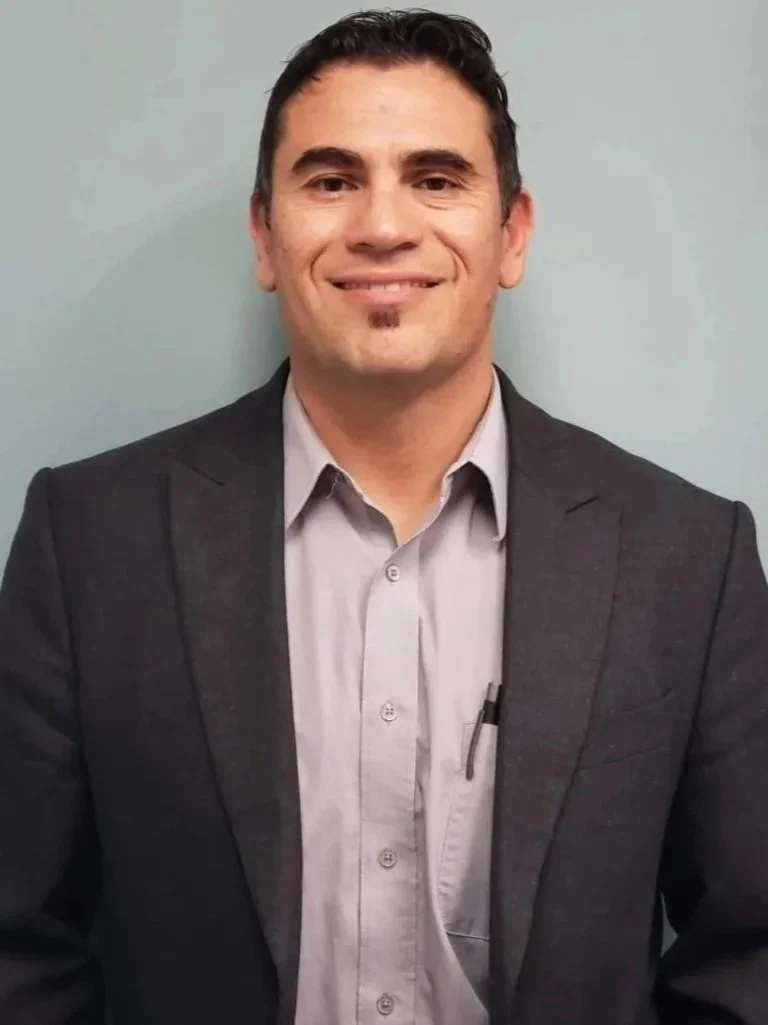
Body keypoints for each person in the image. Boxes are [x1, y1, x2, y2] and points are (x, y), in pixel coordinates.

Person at [1, 8, 767, 1025]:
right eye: (330, 180)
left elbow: (749, 952)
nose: (383, 224)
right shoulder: (88, 538)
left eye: (437, 179)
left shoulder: (688, 555)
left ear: (512, 235)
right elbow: (18, 946)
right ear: (266, 237)